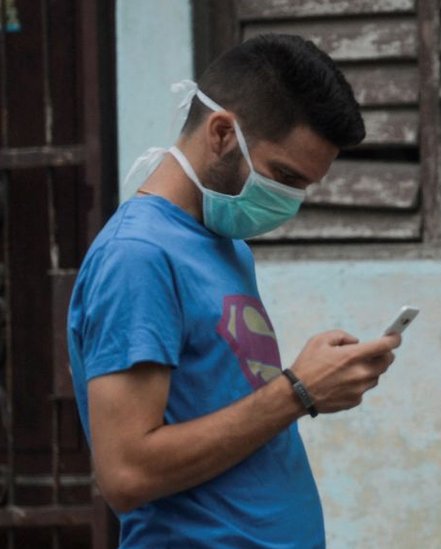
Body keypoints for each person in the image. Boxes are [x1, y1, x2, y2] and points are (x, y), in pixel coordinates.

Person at [67, 34, 401, 548]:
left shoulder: (225, 245)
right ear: (222, 132)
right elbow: (126, 474)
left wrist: (310, 382)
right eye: (283, 175)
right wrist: (298, 391)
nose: (289, 201)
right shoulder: (138, 255)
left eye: (302, 187)